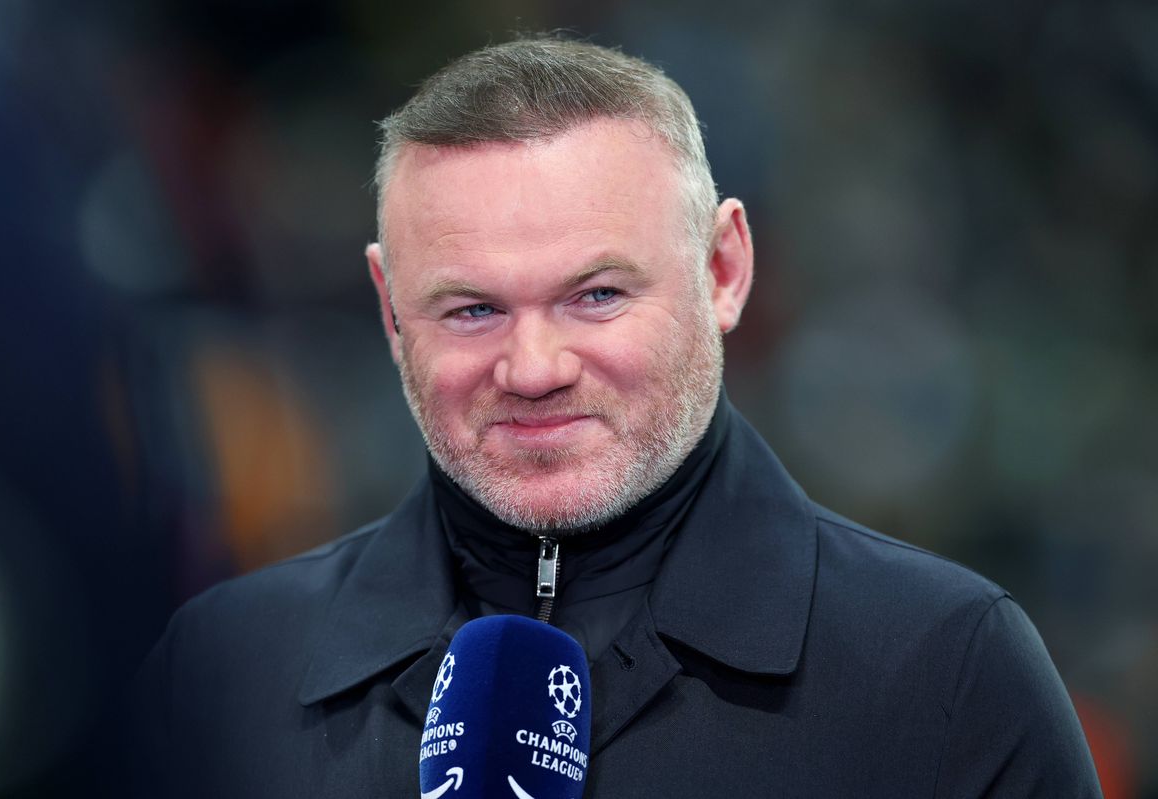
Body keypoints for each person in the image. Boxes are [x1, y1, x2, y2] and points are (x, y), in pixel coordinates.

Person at [131, 37, 1102, 796]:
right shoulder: (225, 669)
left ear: (723, 270)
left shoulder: (942, 670)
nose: (534, 367)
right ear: (390, 310)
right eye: (471, 309)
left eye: (596, 296)